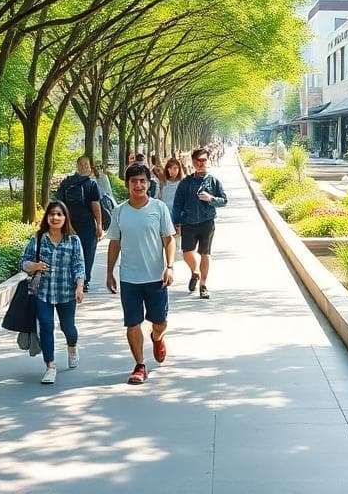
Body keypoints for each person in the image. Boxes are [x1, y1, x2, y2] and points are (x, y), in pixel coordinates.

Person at [105, 164, 175, 385]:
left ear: (148, 183)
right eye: (134, 181)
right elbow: (114, 243)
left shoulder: (159, 208)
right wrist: (109, 272)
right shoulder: (120, 212)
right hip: (129, 278)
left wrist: (169, 266)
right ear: (127, 184)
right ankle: (139, 365)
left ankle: (157, 336)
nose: (138, 185)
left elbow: (169, 239)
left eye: (142, 181)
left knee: (160, 322)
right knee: (132, 323)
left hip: (156, 277)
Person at [20, 201, 86, 385]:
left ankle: (72, 346)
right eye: (52, 214)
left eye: (59, 214)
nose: (55, 217)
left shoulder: (73, 240)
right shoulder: (37, 239)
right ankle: (50, 366)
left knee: (68, 327)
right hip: (42, 292)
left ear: (65, 218)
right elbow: (23, 262)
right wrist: (34, 266)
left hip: (66, 292)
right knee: (46, 326)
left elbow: (79, 265)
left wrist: (79, 287)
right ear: (47, 217)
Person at [172, 147, 228, 300]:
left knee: (205, 253)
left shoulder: (214, 181)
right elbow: (177, 204)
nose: (200, 163)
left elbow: (224, 201)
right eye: (197, 160)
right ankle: (195, 271)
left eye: (203, 160)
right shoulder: (185, 183)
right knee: (187, 253)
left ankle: (203, 285)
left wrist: (211, 199)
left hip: (207, 222)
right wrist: (176, 222)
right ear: (193, 161)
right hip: (188, 222)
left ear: (208, 161)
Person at [55, 156, 104, 289]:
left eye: (86, 165)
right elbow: (96, 205)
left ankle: (73, 279)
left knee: (70, 252)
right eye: (84, 165)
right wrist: (99, 225)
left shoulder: (66, 183)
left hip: (69, 223)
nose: (85, 167)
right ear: (79, 166)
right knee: (88, 252)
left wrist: (65, 224)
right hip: (87, 224)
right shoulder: (91, 184)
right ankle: (84, 281)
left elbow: (59, 205)